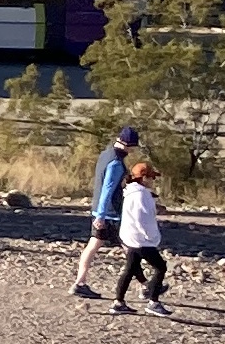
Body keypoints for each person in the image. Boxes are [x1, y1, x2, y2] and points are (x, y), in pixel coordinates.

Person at [73, 125, 139, 298]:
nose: (133, 150)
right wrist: (102, 216)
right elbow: (108, 189)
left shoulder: (105, 154)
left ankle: (80, 282)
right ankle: (147, 286)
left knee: (93, 246)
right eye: (133, 146)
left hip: (98, 210)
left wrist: (98, 214)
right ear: (128, 144)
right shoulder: (116, 162)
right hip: (110, 214)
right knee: (130, 248)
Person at [112, 160, 173, 318]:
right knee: (160, 267)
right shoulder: (142, 194)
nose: (153, 181)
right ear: (143, 178)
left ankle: (118, 302)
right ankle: (153, 301)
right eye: (151, 178)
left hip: (130, 237)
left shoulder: (131, 192)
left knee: (130, 269)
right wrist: (151, 238)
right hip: (142, 240)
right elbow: (143, 218)